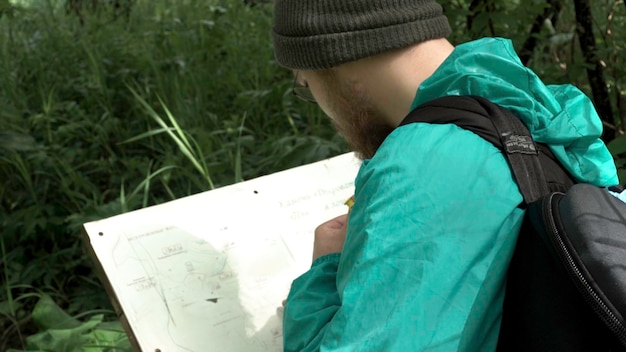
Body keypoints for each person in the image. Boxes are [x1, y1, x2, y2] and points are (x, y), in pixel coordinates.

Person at [272, 0, 619, 350]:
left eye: (307, 86)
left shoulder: (418, 161)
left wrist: (324, 272)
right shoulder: (538, 112)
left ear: (339, 58)